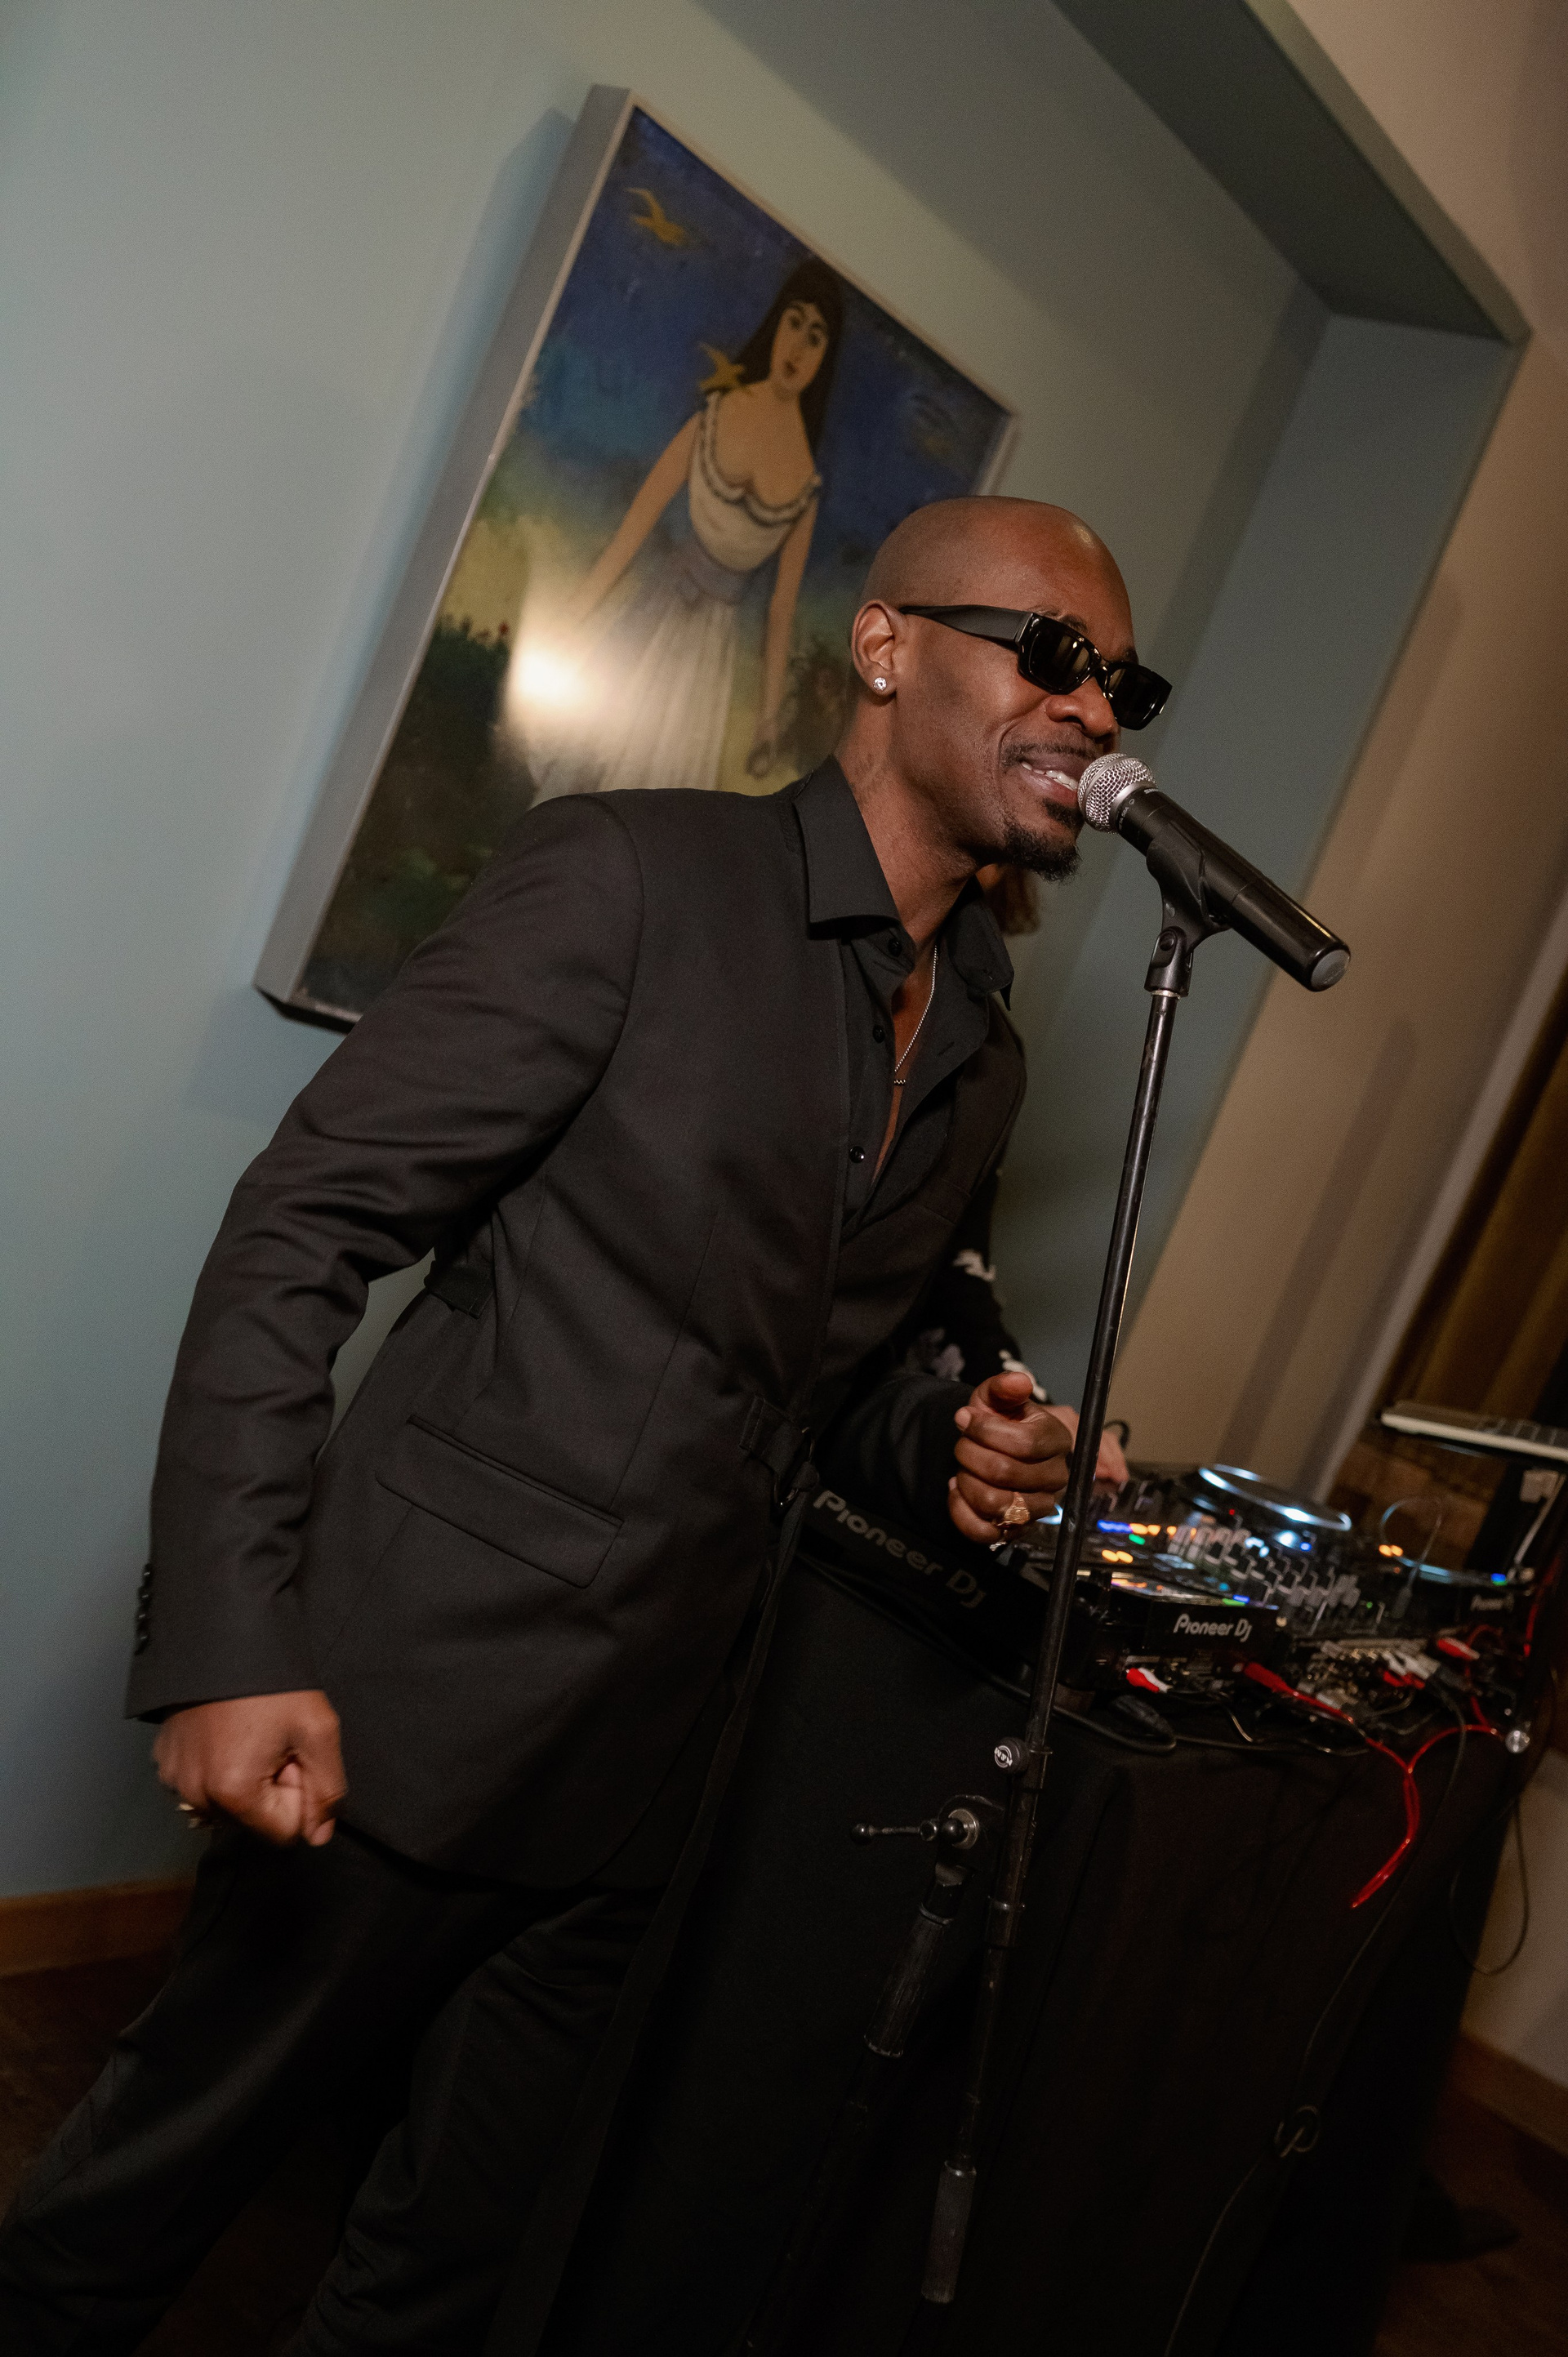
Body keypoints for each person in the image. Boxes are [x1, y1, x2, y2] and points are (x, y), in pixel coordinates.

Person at [0, 492, 1165, 2354]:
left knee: (444, 2279)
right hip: (409, 1706)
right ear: (882, 648)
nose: (1096, 708)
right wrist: (229, 1634)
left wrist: (955, 1444)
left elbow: (826, 1376)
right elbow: (303, 1231)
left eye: (1124, 684)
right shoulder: (632, 879)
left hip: (649, 1769)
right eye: (1053, 655)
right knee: (147, 2196)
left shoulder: (979, 1043)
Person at [523, 256, 840, 800]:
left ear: (824, 358)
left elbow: (781, 608)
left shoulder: (806, 483)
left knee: (659, 789)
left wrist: (767, 719)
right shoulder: (713, 416)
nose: (798, 346)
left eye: (815, 337)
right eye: (794, 322)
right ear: (776, 324)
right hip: (653, 613)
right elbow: (636, 525)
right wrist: (573, 614)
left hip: (707, 655)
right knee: (593, 762)